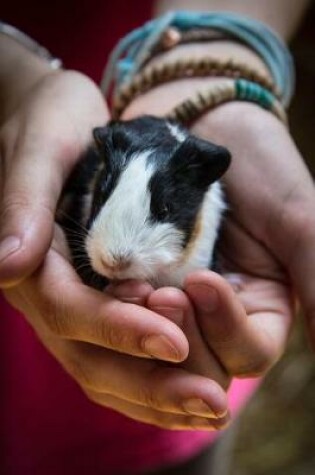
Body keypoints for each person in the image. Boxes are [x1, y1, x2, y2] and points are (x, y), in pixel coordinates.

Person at [0, 0, 313, 474]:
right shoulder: (96, 158)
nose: (116, 256)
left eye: (162, 210)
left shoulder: (206, 191)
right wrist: (13, 83)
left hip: (175, 409)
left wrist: (218, 56)